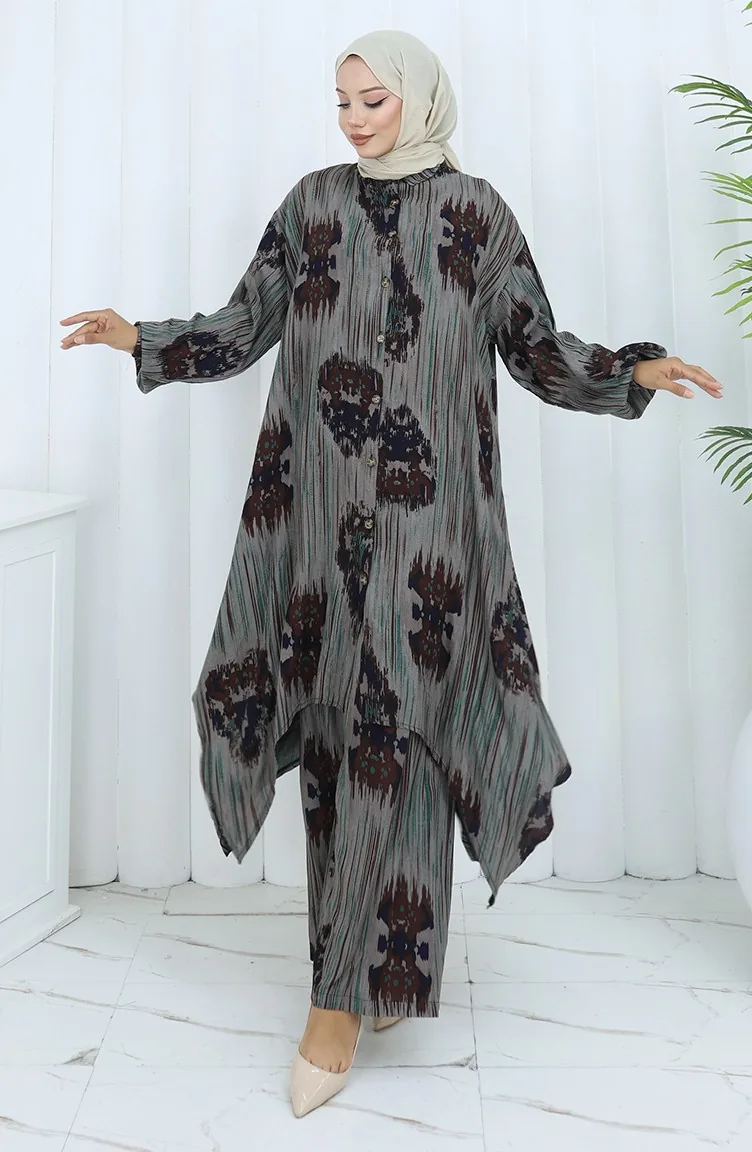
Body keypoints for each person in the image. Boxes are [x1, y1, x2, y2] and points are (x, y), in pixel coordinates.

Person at [60, 28, 723, 1120]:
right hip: (317, 519)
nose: (355, 119)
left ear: (418, 98)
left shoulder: (477, 215)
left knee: (398, 730)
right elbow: (244, 326)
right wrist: (145, 338)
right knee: (343, 734)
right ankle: (374, 976)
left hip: (433, 532)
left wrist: (631, 369)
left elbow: (534, 347)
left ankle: (337, 1002)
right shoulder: (312, 206)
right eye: (342, 101)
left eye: (373, 100)